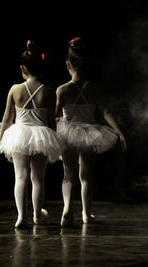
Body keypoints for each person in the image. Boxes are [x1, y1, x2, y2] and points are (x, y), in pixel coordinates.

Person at [56, 37, 127, 227]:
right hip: (89, 132)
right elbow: (106, 112)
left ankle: (67, 209)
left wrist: (50, 133)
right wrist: (119, 132)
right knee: (87, 176)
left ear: (68, 65)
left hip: (67, 131)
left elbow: (54, 116)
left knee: (68, 174)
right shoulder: (95, 90)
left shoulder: (62, 90)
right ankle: (86, 215)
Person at [0, 40, 65, 228]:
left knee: (20, 177)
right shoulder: (49, 92)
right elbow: (51, 121)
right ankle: (36, 215)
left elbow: (7, 117)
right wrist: (54, 141)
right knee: (38, 178)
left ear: (22, 69)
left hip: (19, 135)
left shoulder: (15, 89)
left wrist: (2, 138)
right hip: (42, 136)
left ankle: (21, 217)